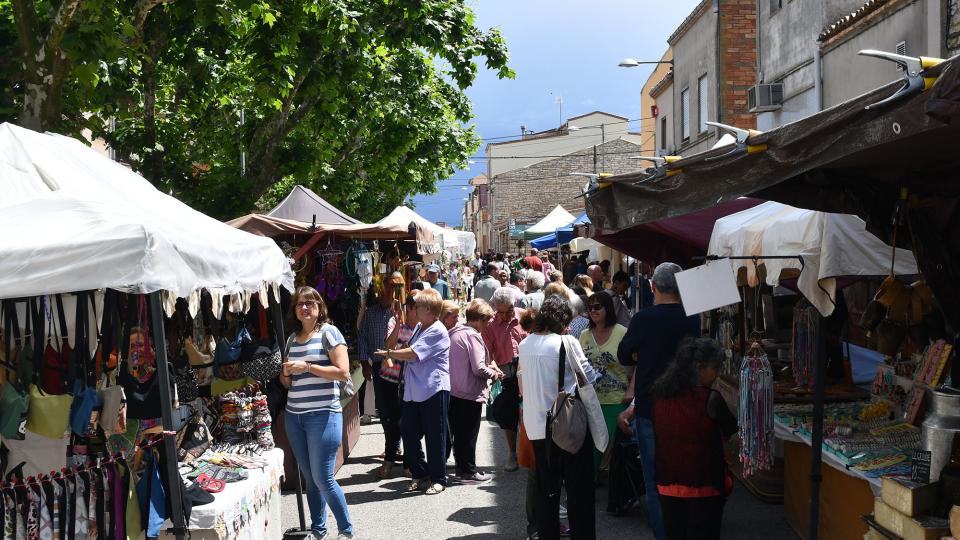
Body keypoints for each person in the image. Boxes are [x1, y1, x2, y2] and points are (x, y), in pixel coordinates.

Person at [616, 262, 700, 540]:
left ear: (653, 287)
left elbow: (624, 354)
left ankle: (664, 534)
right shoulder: (693, 317)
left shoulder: (644, 319)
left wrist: (642, 353)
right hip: (686, 405)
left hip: (652, 408)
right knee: (685, 474)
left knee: (654, 478)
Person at [518, 294, 598, 540]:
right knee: (578, 489)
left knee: (547, 489)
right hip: (567, 423)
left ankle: (547, 534)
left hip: (537, 426)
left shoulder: (525, 344)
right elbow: (589, 377)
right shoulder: (566, 342)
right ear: (562, 320)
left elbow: (523, 383)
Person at [280, 286, 354, 539]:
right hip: (294, 416)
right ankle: (318, 530)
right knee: (310, 479)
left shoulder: (329, 333)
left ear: (320, 307)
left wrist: (308, 367)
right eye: (300, 304)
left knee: (323, 478)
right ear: (295, 310)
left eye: (310, 303)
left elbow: (343, 371)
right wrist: (287, 374)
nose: (305, 307)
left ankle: (346, 530)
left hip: (323, 415)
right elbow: (287, 383)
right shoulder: (291, 339)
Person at [652, 338, 737, 540]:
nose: (716, 375)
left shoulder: (660, 396)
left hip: (667, 483)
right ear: (699, 368)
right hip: (704, 484)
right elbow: (730, 428)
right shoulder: (711, 398)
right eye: (714, 368)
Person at [375, 288, 451, 495]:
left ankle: (438, 478)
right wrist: (397, 324)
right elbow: (404, 344)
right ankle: (420, 472)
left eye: (417, 306)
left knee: (435, 436)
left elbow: (412, 353)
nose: (413, 309)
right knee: (408, 431)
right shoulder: (419, 326)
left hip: (433, 388)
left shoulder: (437, 329)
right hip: (413, 389)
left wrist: (389, 353)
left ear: (428, 309)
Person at [448, 299, 503, 482]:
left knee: (459, 434)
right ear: (479, 319)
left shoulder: (455, 333)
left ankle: (461, 469)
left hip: (453, 391)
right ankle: (469, 472)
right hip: (469, 393)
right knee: (469, 436)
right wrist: (494, 374)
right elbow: (479, 368)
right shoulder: (472, 336)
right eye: (486, 321)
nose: (487, 326)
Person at [579, 291, 630, 475]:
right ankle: (590, 487)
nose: (592, 311)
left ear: (608, 308)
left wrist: (631, 392)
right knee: (592, 448)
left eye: (597, 307)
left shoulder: (622, 332)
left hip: (616, 399)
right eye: (589, 308)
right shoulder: (584, 335)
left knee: (612, 446)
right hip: (590, 400)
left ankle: (614, 488)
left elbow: (637, 364)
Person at [482, 287, 529, 471]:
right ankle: (512, 453)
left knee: (530, 412)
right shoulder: (490, 324)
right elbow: (488, 354)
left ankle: (531, 453)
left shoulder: (525, 316)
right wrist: (494, 369)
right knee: (508, 414)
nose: (504, 316)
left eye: (508, 311)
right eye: (500, 312)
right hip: (505, 371)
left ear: (514, 305)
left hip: (526, 369)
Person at [376, 293, 419, 478]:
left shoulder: (422, 328)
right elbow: (389, 346)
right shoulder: (394, 323)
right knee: (390, 422)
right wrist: (399, 323)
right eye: (417, 308)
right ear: (408, 308)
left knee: (407, 423)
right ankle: (390, 459)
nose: (421, 312)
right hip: (389, 380)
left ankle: (408, 464)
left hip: (409, 382)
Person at [356, 287, 394, 424]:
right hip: (378, 364)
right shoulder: (370, 313)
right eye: (381, 293)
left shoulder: (399, 313)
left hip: (398, 364)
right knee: (383, 403)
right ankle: (389, 433)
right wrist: (365, 364)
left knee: (396, 403)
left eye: (387, 292)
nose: (383, 296)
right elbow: (362, 338)